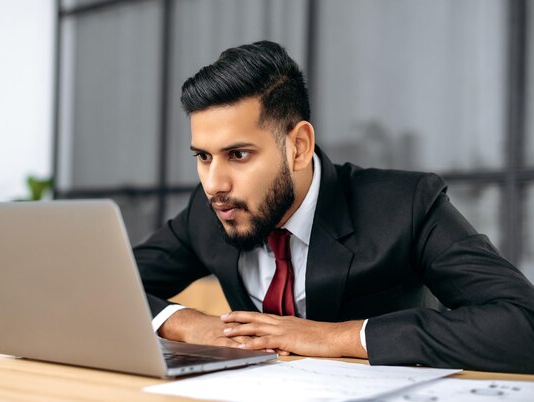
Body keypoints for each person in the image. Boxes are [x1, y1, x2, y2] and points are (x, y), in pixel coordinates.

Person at [133, 40, 534, 373]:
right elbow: (103, 282)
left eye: (238, 155)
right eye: (203, 157)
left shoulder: (405, 204)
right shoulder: (212, 209)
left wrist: (335, 336)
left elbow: (523, 324)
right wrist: (185, 324)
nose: (214, 184)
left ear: (299, 146)